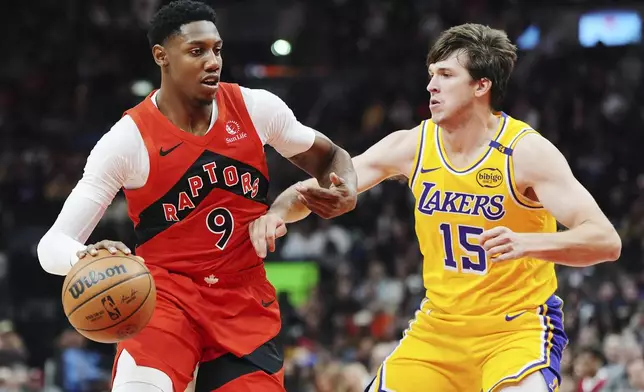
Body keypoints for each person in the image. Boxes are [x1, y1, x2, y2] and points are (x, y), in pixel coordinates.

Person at [249, 23, 622, 392]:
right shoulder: (414, 145)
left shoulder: (526, 152)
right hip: (439, 329)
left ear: (481, 85)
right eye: (431, 74)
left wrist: (527, 243)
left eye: (445, 74)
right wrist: (277, 214)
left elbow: (605, 241)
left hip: (516, 328)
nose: (431, 85)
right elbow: (318, 188)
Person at [37, 1, 357, 391]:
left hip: (243, 298)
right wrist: (84, 257)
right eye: (196, 51)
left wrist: (347, 188)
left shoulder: (256, 109)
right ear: (162, 56)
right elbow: (51, 245)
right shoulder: (128, 139)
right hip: (163, 298)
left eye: (217, 49)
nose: (212, 61)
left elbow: (331, 157)